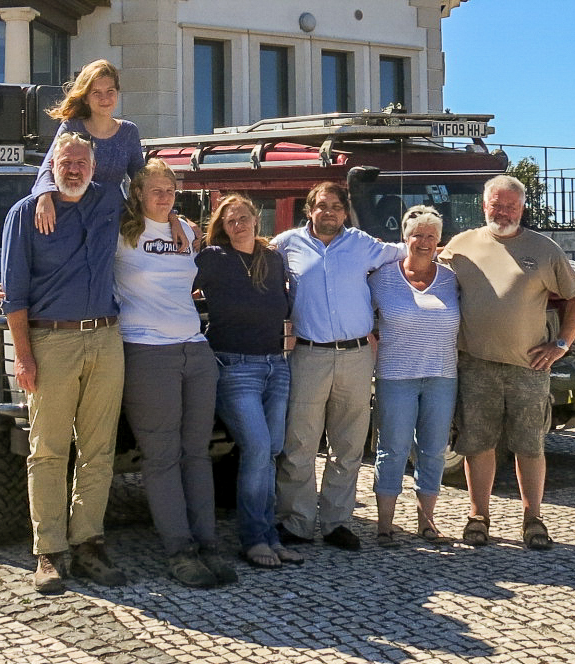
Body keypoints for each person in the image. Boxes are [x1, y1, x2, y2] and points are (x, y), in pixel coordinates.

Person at [0, 131, 127, 594]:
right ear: (50, 166)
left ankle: (89, 541)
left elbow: (152, 204)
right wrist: (25, 359)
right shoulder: (25, 215)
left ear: (94, 166)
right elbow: (14, 297)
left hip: (107, 339)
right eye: (65, 163)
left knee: (99, 450)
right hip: (51, 341)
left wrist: (178, 224)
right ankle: (50, 551)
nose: (73, 170)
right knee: (49, 450)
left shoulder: (109, 201)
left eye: (81, 163)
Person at [440, 174, 575, 551]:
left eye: (511, 205)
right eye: (497, 204)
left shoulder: (543, 248)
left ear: (523, 207)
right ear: (484, 205)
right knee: (477, 444)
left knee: (530, 445)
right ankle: (478, 516)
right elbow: (427, 272)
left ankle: (533, 518)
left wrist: (561, 344)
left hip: (529, 368)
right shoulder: (461, 245)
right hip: (476, 364)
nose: (503, 212)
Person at [114, 161, 235, 588]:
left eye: (169, 188)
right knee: (162, 456)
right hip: (147, 350)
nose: (164, 195)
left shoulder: (185, 228)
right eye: (155, 189)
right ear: (138, 193)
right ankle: (179, 550)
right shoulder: (121, 232)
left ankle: (207, 543)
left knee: (197, 452)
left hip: (194, 349)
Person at [271, 181, 403, 551]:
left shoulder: (363, 244)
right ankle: (296, 522)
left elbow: (410, 250)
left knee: (347, 445)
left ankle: (336, 523)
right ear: (309, 209)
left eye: (335, 206)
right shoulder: (286, 245)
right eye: (321, 205)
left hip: (356, 357)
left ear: (345, 211)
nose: (328, 212)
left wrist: (451, 249)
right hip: (308, 355)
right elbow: (251, 253)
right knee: (299, 443)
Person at [194, 194, 303, 568]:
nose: (238, 224)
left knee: (271, 451)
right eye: (230, 220)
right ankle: (253, 539)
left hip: (277, 364)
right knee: (257, 449)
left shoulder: (272, 259)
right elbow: (176, 285)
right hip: (235, 366)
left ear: (256, 218)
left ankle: (270, 536)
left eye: (243, 217)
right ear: (221, 228)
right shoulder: (212, 258)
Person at [369, 205, 461, 547]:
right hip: (396, 377)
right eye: (417, 235)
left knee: (434, 450)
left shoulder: (452, 279)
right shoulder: (381, 277)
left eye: (431, 236)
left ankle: (427, 522)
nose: (423, 242)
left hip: (441, 376)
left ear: (440, 241)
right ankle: (385, 525)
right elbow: (362, 319)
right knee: (392, 449)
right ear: (404, 238)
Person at [32, 60, 189, 249]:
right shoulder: (71, 127)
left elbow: (143, 182)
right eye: (96, 93)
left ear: (118, 93)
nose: (104, 98)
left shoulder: (129, 132)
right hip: (73, 219)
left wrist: (173, 217)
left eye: (110, 91)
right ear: (85, 97)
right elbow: (49, 167)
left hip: (111, 221)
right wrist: (44, 197)